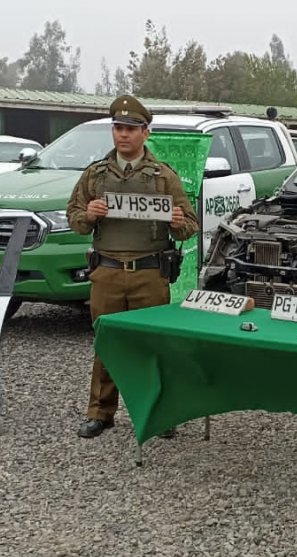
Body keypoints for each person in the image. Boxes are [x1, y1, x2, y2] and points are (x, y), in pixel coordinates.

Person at [67, 95, 199, 439]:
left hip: (149, 274)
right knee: (107, 343)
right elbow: (74, 218)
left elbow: (191, 224)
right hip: (107, 272)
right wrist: (88, 215)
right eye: (118, 128)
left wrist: (176, 222)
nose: (122, 135)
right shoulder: (95, 175)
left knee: (153, 345)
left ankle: (160, 412)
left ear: (145, 133)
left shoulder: (162, 177)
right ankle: (100, 412)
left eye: (130, 129)